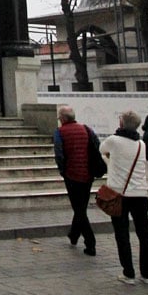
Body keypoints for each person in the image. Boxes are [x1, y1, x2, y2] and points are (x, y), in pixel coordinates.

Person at [100, 110, 148, 284]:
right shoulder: (141, 144)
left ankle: (128, 272)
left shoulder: (113, 141)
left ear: (121, 123)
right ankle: (147, 273)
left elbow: (102, 150)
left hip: (119, 194)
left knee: (122, 234)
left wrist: (111, 164)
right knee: (144, 234)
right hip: (140, 193)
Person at [53, 104, 98, 256]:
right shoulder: (86, 129)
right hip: (88, 174)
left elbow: (59, 154)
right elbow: (96, 146)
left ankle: (90, 242)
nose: (59, 120)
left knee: (79, 209)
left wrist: (62, 170)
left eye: (60, 117)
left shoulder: (60, 132)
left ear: (64, 119)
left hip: (72, 175)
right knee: (81, 207)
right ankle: (73, 235)